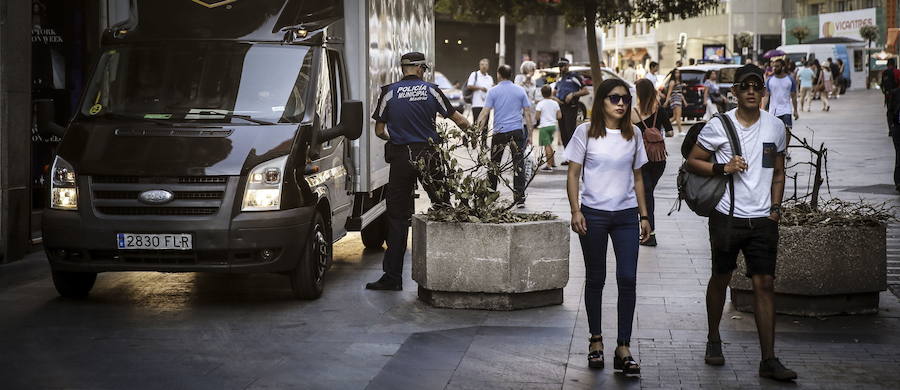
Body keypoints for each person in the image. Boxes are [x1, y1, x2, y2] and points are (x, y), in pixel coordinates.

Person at [686, 64, 797, 382]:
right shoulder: (718, 125)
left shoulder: (775, 127)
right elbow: (692, 161)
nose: (751, 91)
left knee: (765, 284)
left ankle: (769, 359)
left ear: (763, 91)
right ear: (734, 91)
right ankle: (713, 339)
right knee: (721, 277)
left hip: (763, 220)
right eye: (744, 86)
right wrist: (723, 167)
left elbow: (778, 171)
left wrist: (775, 209)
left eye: (756, 86)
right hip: (727, 217)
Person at [565, 78, 651, 375]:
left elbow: (639, 177)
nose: (621, 104)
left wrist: (644, 216)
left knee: (627, 278)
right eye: (614, 98)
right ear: (601, 101)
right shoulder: (584, 133)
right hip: (593, 215)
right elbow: (573, 175)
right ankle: (596, 341)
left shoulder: (635, 134)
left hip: (626, 216)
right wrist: (576, 210)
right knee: (596, 278)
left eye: (625, 99)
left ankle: (623, 346)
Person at [366, 52, 471, 291]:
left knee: (397, 217)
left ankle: (392, 277)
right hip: (429, 155)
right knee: (443, 207)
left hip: (402, 156)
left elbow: (380, 130)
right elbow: (460, 121)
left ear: (403, 69)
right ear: (421, 68)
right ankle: (451, 270)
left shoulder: (389, 92)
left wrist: (398, 138)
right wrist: (474, 134)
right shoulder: (432, 90)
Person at [477, 64, 534, 208]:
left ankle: (491, 195)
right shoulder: (520, 90)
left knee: (494, 164)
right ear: (510, 74)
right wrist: (531, 134)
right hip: (516, 131)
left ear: (498, 74)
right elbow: (527, 113)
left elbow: (485, 113)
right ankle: (519, 198)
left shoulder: (493, 91)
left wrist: (476, 131)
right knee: (518, 165)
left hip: (499, 132)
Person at [632, 79, 672, 246]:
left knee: (644, 193)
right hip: (658, 159)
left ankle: (649, 232)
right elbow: (669, 132)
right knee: (647, 192)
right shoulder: (660, 111)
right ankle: (647, 230)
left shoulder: (632, 112)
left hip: (639, 159)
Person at [552, 57, 590, 151]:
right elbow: (554, 92)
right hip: (561, 107)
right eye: (560, 66)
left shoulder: (575, 77)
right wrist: (555, 99)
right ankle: (567, 155)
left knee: (570, 131)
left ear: (568, 66)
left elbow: (586, 91)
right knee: (563, 132)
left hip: (571, 107)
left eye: (564, 66)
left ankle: (573, 156)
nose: (561, 68)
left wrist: (573, 94)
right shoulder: (560, 78)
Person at [761, 58, 799, 130]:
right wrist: (762, 109)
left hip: (786, 110)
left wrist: (795, 111)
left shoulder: (790, 80)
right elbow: (766, 95)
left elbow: (793, 96)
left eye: (777, 66)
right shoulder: (770, 80)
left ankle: (785, 142)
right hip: (773, 111)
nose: (774, 68)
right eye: (773, 66)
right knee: (774, 131)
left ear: (783, 67)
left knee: (788, 130)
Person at [535, 85, 562, 170]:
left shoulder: (540, 103)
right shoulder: (555, 103)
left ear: (542, 94)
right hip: (553, 126)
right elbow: (559, 116)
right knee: (550, 144)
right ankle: (553, 162)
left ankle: (549, 165)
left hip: (544, 126)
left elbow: (537, 117)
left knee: (546, 145)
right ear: (551, 93)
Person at [466, 58, 494, 122]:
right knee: (477, 124)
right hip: (477, 104)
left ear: (488, 66)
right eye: (482, 64)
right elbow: (469, 86)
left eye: (486, 65)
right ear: (479, 65)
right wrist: (481, 88)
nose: (484, 66)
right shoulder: (474, 74)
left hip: (487, 105)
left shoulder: (490, 78)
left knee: (485, 126)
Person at [664, 68, 686, 135]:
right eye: (676, 73)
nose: (678, 74)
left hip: (679, 98)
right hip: (675, 99)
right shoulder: (672, 82)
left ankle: (663, 126)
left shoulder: (679, 82)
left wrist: (684, 101)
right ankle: (680, 131)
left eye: (678, 73)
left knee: (674, 117)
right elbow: (669, 92)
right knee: (678, 116)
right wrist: (666, 101)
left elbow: (680, 92)